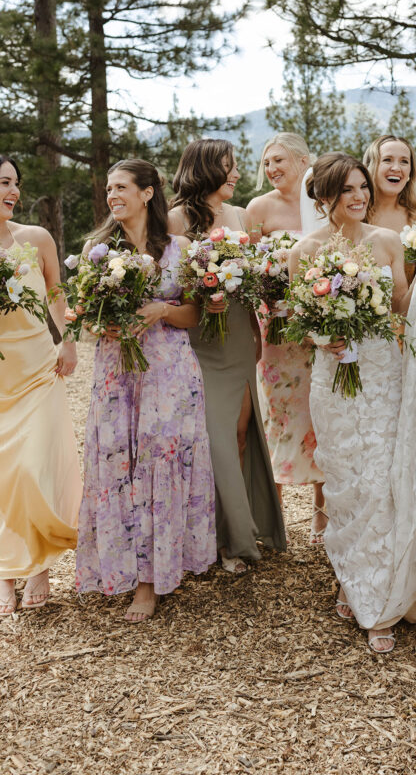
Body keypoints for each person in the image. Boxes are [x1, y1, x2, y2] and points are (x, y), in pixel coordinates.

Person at [290, 153, 416, 652]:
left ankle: (378, 599)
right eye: (348, 190)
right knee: (347, 484)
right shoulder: (303, 251)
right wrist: (324, 337)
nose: (360, 197)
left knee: (383, 481)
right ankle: (353, 578)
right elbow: (297, 320)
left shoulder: (386, 242)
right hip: (334, 381)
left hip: (384, 374)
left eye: (363, 187)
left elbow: (401, 304)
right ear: (324, 198)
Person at [76, 159, 216, 621]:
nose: (113, 196)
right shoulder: (97, 251)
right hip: (117, 371)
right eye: (109, 189)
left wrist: (159, 310)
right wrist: (107, 324)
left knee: (159, 461)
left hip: (169, 371)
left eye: (122, 188)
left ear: (148, 193)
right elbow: (87, 319)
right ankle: (117, 568)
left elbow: (195, 315)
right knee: (119, 462)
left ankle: (151, 580)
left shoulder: (180, 249)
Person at [169, 139, 286, 573]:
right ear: (204, 169)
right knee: (210, 439)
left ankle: (234, 526)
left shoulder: (240, 216)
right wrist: (203, 295)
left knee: (238, 434)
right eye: (228, 166)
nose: (236, 173)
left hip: (238, 334)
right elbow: (170, 282)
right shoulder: (177, 218)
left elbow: (252, 278)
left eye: (236, 166)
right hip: (199, 338)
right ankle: (222, 540)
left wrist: (257, 329)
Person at [0, 155, 81, 615]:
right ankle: (5, 573)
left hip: (36, 368)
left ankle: (39, 566)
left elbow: (54, 290)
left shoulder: (35, 238)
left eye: (14, 183)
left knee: (32, 469)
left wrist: (66, 339)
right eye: (2, 183)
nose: (13, 191)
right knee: (3, 475)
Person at [245, 133, 326, 544]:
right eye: (267, 163)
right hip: (274, 330)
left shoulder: (321, 203)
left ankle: (321, 515)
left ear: (302, 160)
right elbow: (245, 266)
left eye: (279, 160)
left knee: (320, 414)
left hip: (317, 329)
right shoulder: (258, 208)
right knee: (274, 418)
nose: (272, 169)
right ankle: (273, 517)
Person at [362, 135, 416, 233]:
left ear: (410, 172)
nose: (396, 168)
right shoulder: (355, 213)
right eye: (387, 160)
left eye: (404, 161)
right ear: (371, 167)